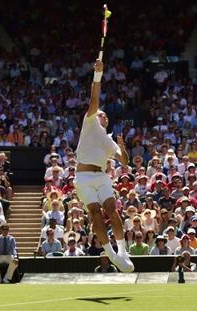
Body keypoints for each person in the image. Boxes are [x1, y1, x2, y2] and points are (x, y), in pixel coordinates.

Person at [73, 59, 134, 272]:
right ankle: (110, 254)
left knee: (112, 210)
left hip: (101, 176)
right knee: (96, 213)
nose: (103, 115)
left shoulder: (109, 140)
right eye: (101, 113)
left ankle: (123, 253)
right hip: (83, 178)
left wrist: (122, 146)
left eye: (105, 115)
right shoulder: (89, 122)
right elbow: (94, 99)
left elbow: (124, 162)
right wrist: (98, 75)